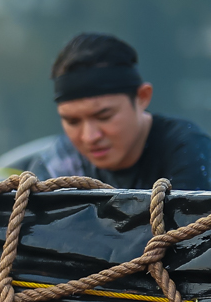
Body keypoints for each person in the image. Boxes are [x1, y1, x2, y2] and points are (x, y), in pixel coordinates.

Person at [23, 32, 211, 190]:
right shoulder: (58, 164)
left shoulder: (189, 151)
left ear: (142, 97)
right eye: (73, 121)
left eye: (104, 116)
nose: (89, 137)